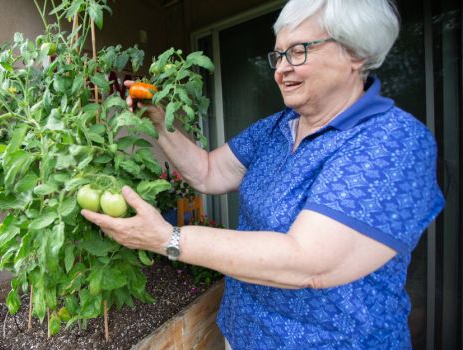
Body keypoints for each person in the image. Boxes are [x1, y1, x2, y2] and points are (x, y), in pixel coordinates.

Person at [81, 0, 445, 348]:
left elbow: (308, 262)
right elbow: (209, 173)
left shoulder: (391, 140)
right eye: (278, 55)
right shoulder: (278, 128)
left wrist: (169, 238)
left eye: (298, 51)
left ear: (356, 54)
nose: (281, 69)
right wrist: (161, 124)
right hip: (244, 333)